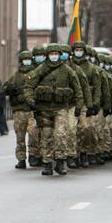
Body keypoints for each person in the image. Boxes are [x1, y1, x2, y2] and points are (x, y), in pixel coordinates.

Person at [23, 44, 84, 176]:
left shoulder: (67, 70)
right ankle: (47, 163)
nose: (54, 56)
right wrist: (31, 101)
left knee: (61, 134)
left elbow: (78, 89)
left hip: (61, 108)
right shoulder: (41, 69)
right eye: (52, 54)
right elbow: (28, 86)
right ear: (47, 55)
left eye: (56, 54)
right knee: (46, 136)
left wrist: (79, 106)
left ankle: (61, 162)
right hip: (44, 109)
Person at [5, 51, 39, 168]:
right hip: (19, 111)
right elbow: (5, 88)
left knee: (33, 133)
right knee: (20, 137)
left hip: (31, 111)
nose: (26, 62)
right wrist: (11, 89)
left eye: (28, 59)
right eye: (24, 60)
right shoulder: (16, 75)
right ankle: (21, 159)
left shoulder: (35, 74)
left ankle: (33, 155)